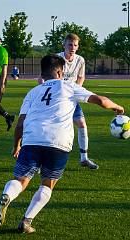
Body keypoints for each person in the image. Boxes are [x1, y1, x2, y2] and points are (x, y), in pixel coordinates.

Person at [0, 54, 124, 234]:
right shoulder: (69, 86)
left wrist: (17, 145)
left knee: (20, 181)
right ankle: (26, 221)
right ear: (60, 72)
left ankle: (7, 195)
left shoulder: (33, 92)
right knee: (47, 184)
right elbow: (100, 100)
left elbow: (20, 123)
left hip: (31, 141)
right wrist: (117, 107)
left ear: (43, 73)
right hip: (58, 142)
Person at [38, 33, 99, 169]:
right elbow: (42, 78)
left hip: (71, 98)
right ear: (64, 45)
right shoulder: (57, 59)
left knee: (82, 124)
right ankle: (41, 162)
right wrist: (43, 90)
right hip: (56, 99)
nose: (72, 47)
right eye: (70, 44)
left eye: (75, 45)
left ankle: (84, 158)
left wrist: (75, 92)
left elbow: (80, 78)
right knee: (51, 128)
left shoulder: (80, 60)